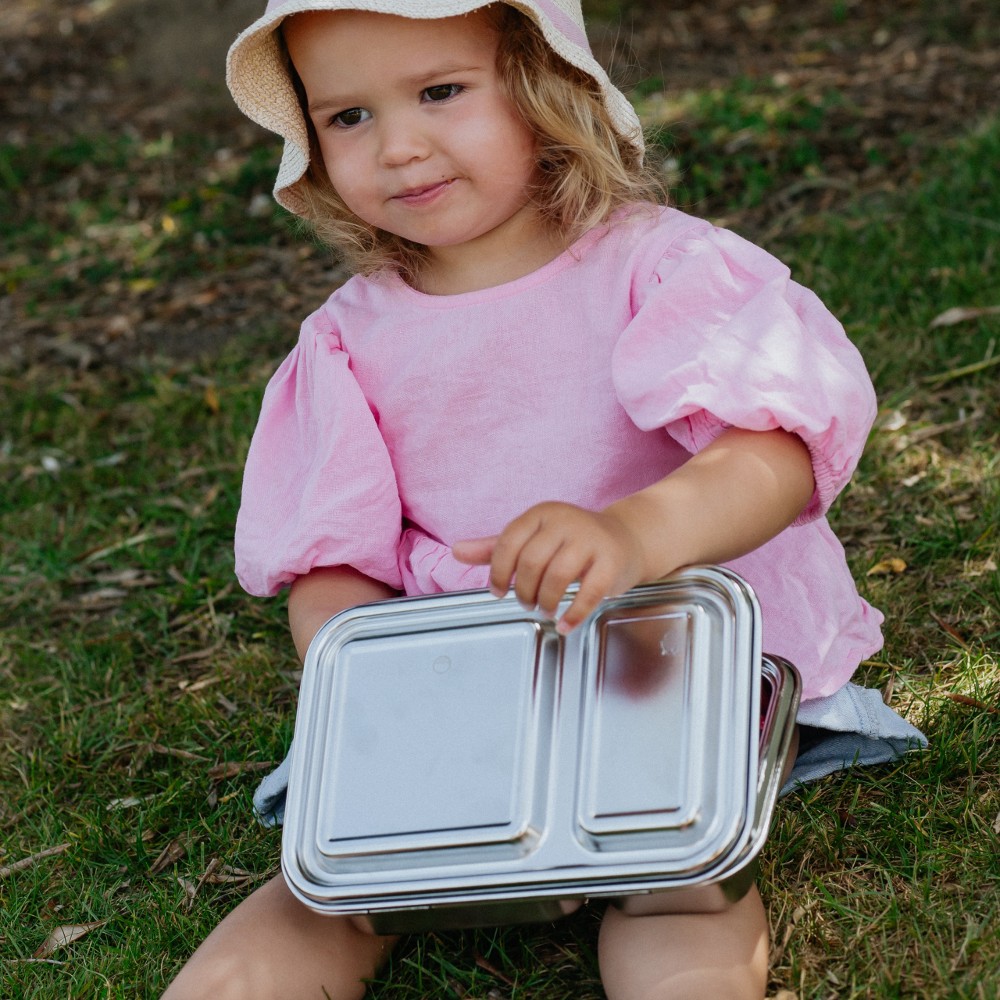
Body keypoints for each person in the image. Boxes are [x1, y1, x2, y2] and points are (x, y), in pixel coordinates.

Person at [163, 1, 925, 997]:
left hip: (659, 664)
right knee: (339, 886)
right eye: (347, 117)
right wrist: (390, 712)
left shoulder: (656, 268)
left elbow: (768, 458)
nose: (398, 145)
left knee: (672, 875)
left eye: (440, 92)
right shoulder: (348, 340)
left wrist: (631, 532)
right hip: (459, 692)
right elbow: (330, 563)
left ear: (539, 84)